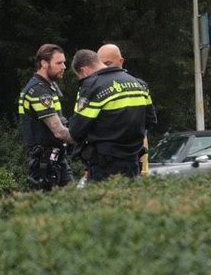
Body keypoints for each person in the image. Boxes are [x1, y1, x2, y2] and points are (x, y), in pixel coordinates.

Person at [69, 49, 157, 181]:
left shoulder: (92, 86)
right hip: (133, 161)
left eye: (79, 77)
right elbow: (150, 121)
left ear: (84, 70)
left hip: (104, 165)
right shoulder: (140, 84)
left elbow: (76, 131)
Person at [17, 44, 74, 190]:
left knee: (73, 198)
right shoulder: (38, 91)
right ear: (43, 63)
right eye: (59, 63)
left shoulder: (49, 86)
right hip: (44, 162)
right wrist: (83, 138)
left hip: (56, 157)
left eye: (64, 62)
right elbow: (58, 130)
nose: (64, 67)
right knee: (52, 202)